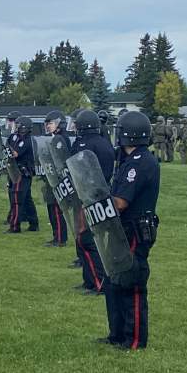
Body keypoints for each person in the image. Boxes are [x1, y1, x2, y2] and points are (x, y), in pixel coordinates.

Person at [101, 111, 160, 351]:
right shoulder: (128, 159)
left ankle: (134, 339)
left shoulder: (139, 162)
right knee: (114, 280)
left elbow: (121, 201)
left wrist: (99, 203)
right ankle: (117, 334)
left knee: (131, 282)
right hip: (121, 228)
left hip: (134, 229)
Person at [71, 110, 116, 294]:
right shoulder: (105, 142)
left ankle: (98, 282)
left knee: (87, 240)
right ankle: (89, 280)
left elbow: (76, 167)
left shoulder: (83, 144)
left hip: (88, 195)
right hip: (102, 194)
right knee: (93, 239)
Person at [5, 117, 39, 233]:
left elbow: (15, 153)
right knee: (27, 199)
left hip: (22, 173)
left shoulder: (26, 140)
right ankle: (34, 223)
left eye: (18, 125)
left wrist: (6, 147)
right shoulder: (16, 137)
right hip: (16, 170)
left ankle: (15, 226)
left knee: (17, 198)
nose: (16, 127)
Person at [43, 111, 68, 247]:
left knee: (57, 209)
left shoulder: (61, 139)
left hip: (59, 179)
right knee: (51, 208)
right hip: (53, 178)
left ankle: (60, 238)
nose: (48, 126)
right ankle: (56, 236)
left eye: (50, 123)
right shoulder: (56, 138)